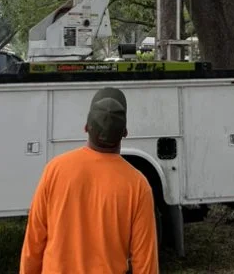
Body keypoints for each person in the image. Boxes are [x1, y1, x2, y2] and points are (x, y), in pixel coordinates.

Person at [19, 86, 159, 274]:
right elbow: (146, 266)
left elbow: (33, 245)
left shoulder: (54, 170)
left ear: (86, 127)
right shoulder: (138, 186)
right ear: (125, 132)